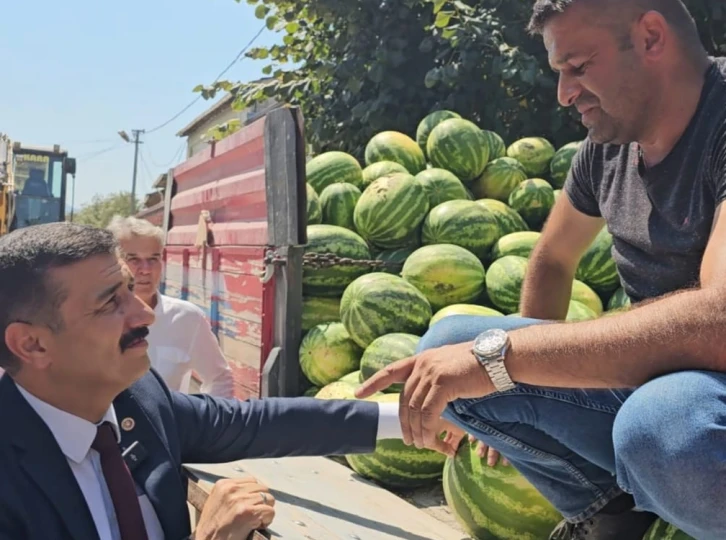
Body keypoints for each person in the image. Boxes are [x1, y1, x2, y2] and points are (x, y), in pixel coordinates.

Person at [357, 1, 726, 539]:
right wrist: (514, 393)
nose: (565, 93)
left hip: (698, 405)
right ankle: (607, 509)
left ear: (650, 37)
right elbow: (552, 259)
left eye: (578, 67)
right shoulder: (609, 146)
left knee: (663, 428)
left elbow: (718, 323)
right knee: (448, 342)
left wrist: (504, 361)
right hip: (658, 382)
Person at [0, 222, 435, 540]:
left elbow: (255, 424)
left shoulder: (139, 399)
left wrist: (417, 416)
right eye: (109, 303)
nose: (145, 314)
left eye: (131, 289)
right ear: (32, 344)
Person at [106, 215, 235, 398]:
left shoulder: (187, 318)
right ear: (113, 262)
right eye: (133, 259)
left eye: (153, 259)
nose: (145, 269)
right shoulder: (92, 317)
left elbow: (219, 378)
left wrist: (204, 423)